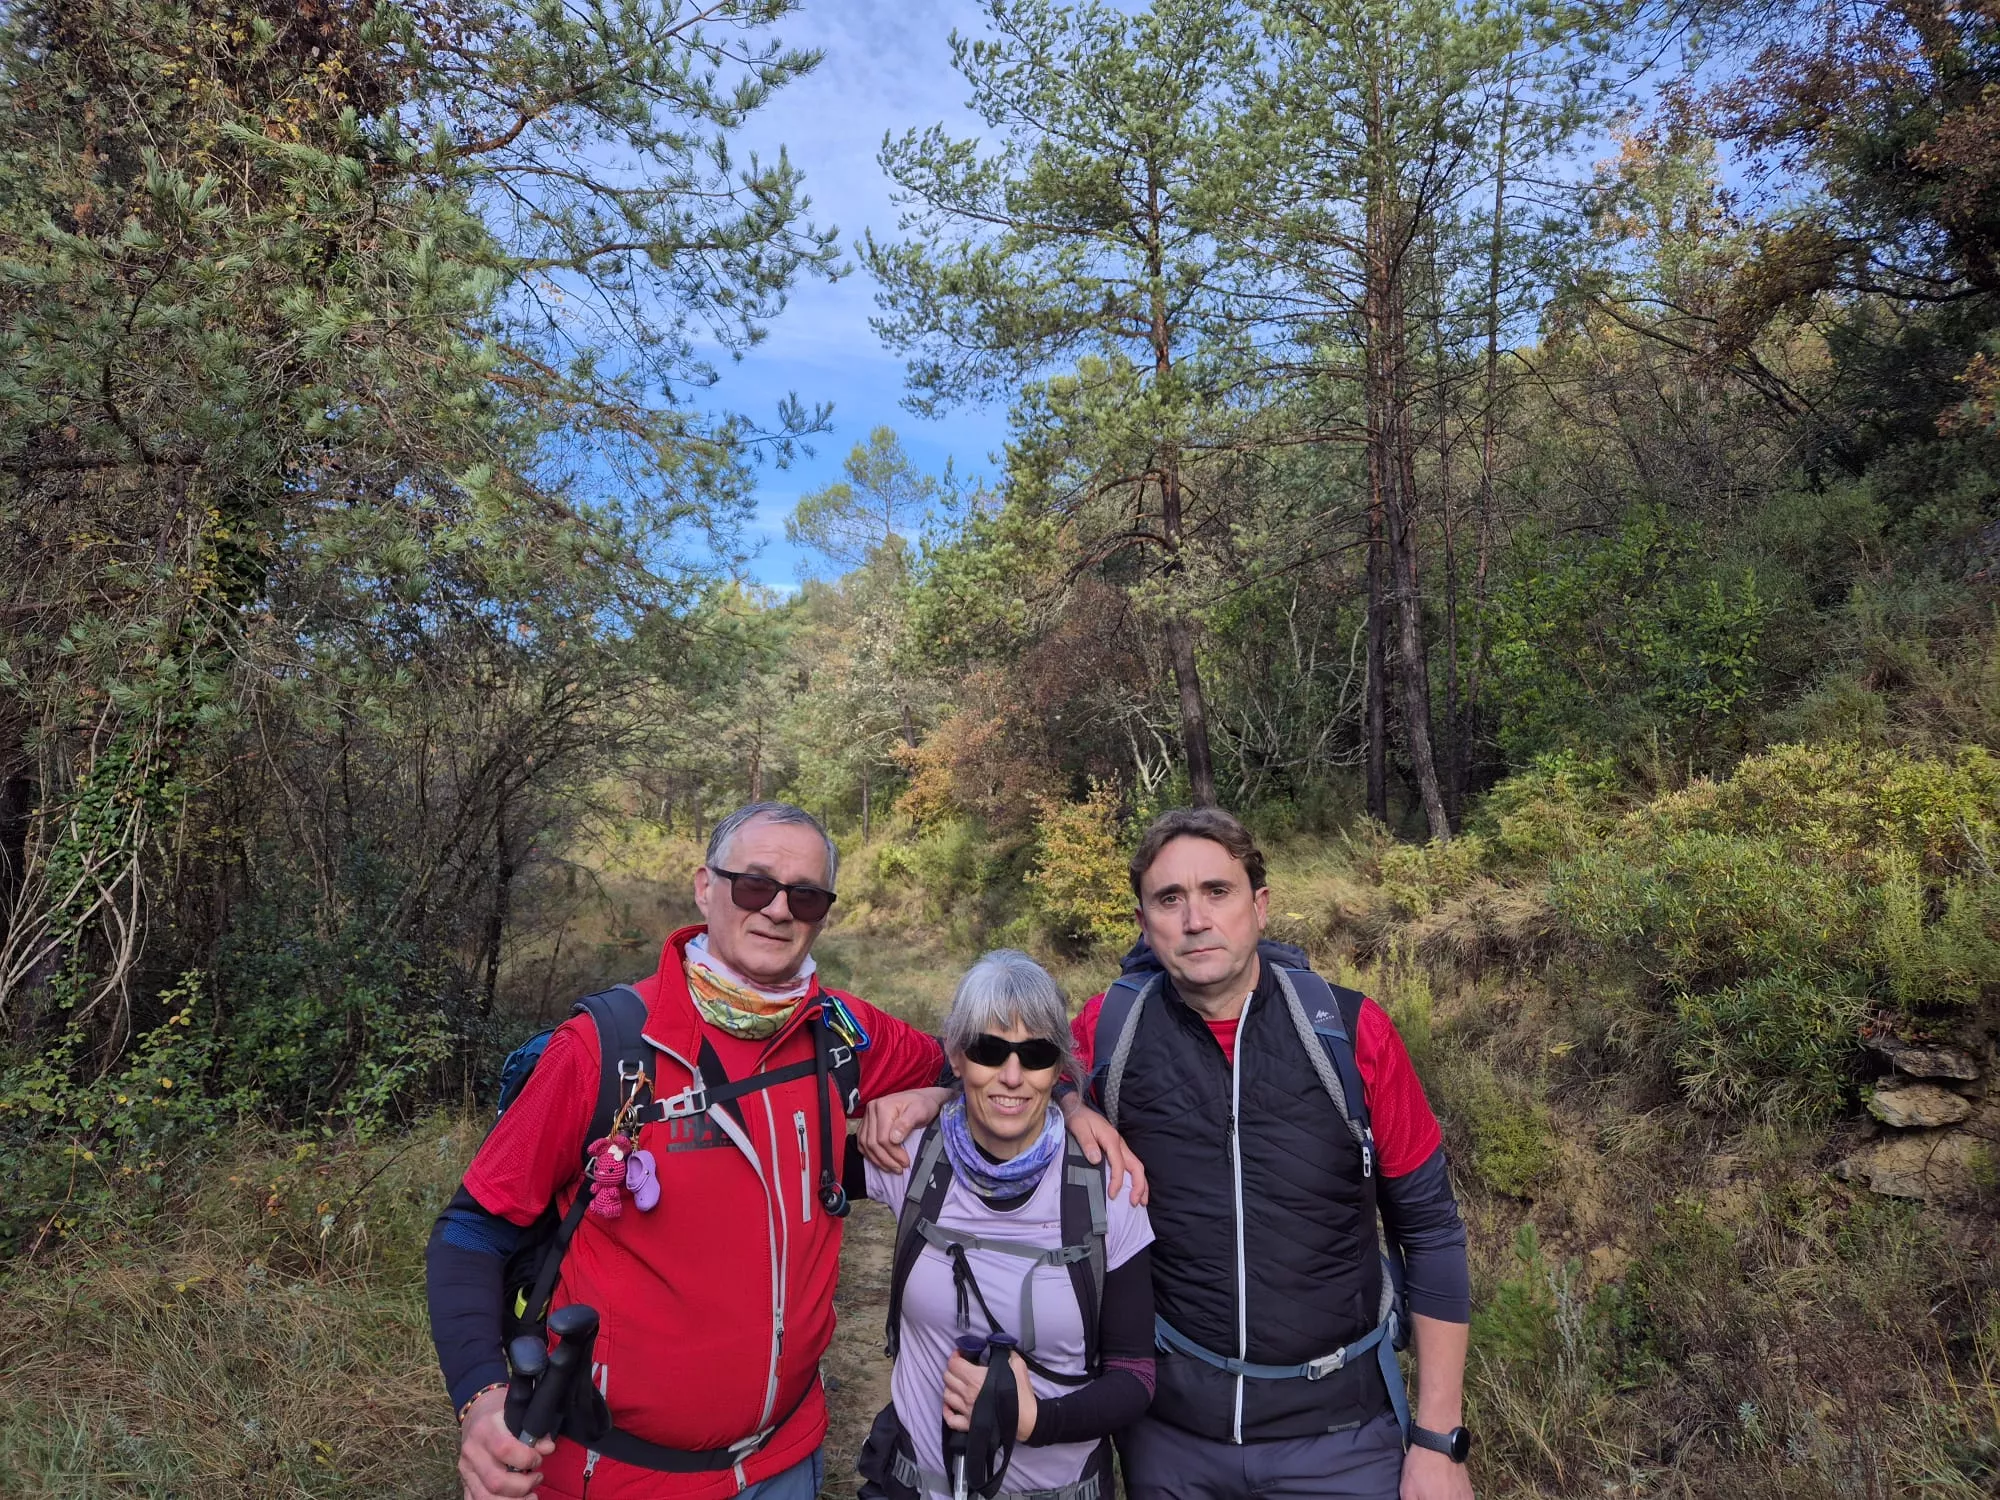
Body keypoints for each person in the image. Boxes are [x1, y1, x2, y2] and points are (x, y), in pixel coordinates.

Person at [863, 808, 1474, 1500]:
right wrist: (939, 1094)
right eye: (1169, 899)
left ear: (1259, 905)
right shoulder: (1113, 1026)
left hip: (1341, 1438)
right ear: (1144, 921)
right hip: (1168, 1441)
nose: (1195, 919)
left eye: (1218, 891)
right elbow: (1018, 1068)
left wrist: (1437, 1440)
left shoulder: (1350, 1033)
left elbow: (1430, 1231)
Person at [429, 802, 953, 1500]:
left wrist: (935, 1096)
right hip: (611, 1473)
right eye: (754, 885)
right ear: (706, 887)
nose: (778, 911)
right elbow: (472, 1228)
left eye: (806, 895)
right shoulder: (604, 1046)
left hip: (786, 1461)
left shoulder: (843, 1031)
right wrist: (480, 1399)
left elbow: (983, 1068)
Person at [849, 949, 1156, 1500]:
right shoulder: (913, 1159)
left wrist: (1033, 1420)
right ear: (957, 1056)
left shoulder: (1105, 1185)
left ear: (1058, 1067)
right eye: (989, 1050)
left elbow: (1135, 1379)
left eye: (1035, 1054)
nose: (1012, 1076)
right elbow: (785, 1167)